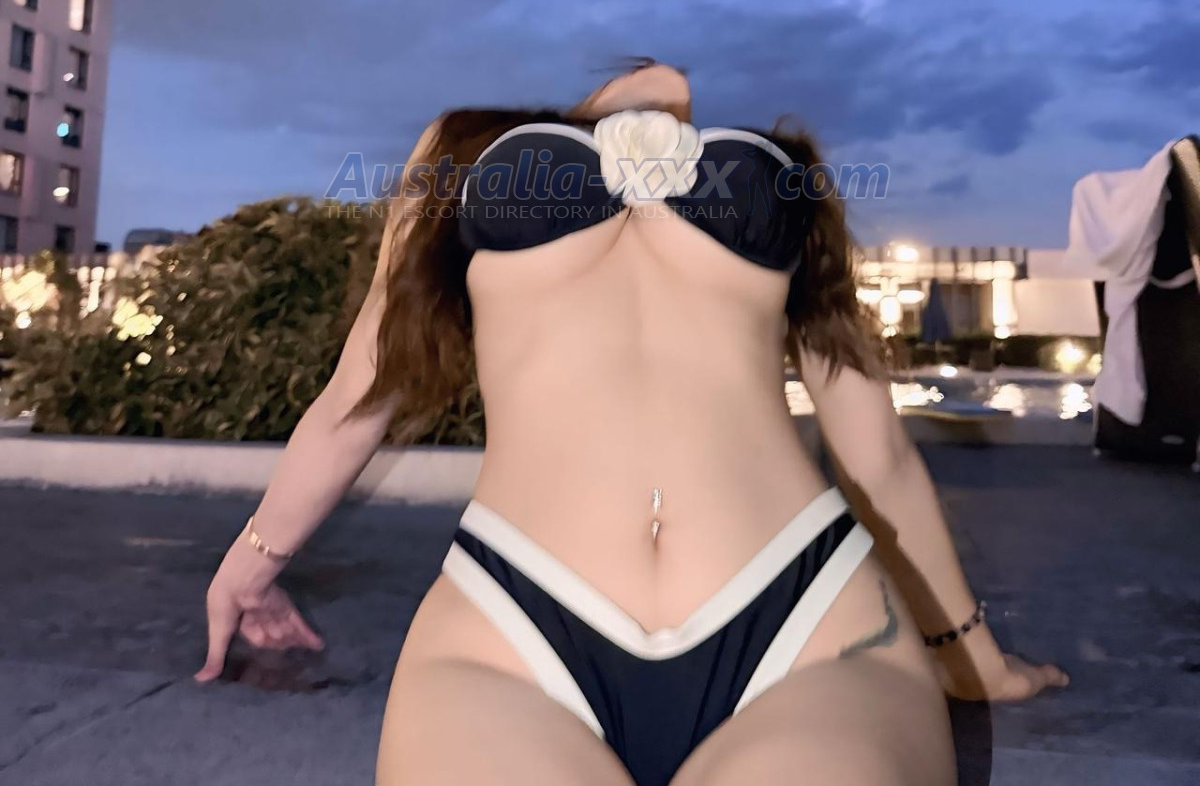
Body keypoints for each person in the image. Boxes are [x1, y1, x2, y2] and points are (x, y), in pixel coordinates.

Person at [196, 58, 1068, 785]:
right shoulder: (465, 149)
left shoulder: (784, 174)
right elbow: (360, 393)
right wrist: (251, 565)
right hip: (511, 629)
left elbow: (877, 456)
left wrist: (972, 657)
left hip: (808, 621)